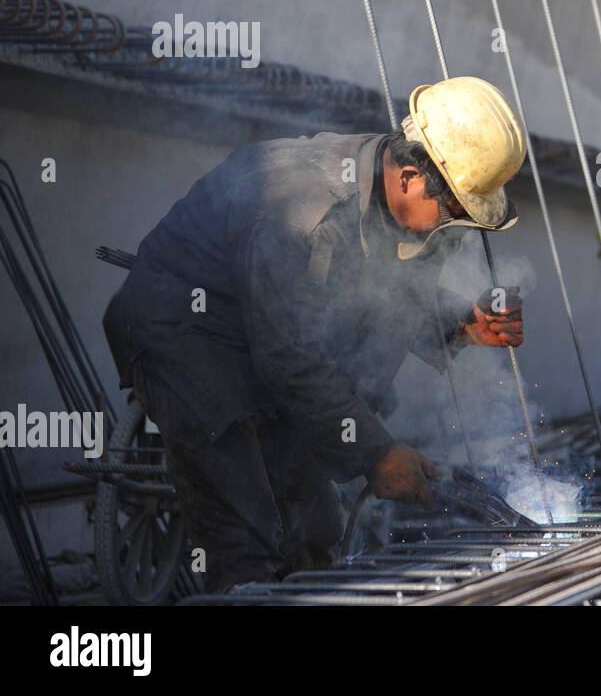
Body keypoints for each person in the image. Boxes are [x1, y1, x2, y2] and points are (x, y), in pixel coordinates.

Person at [102, 77, 527, 592]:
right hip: (186, 334)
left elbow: (383, 292)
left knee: (312, 534)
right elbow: (286, 355)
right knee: (249, 541)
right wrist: (376, 454)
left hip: (263, 340)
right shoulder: (304, 211)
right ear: (413, 177)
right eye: (455, 212)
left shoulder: (387, 196)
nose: (455, 228)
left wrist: (462, 323)